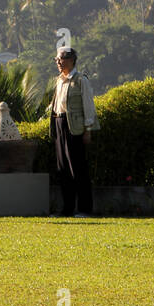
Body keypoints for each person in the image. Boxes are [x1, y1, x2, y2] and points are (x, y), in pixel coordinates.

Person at [51, 46, 99, 217]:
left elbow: (88, 105)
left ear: (71, 60)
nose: (58, 62)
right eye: (57, 59)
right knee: (62, 168)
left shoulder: (80, 80)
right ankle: (67, 208)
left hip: (75, 127)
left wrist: (88, 130)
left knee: (78, 168)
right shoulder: (59, 80)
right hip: (59, 123)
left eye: (61, 58)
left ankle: (85, 208)